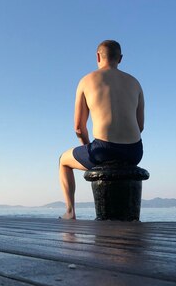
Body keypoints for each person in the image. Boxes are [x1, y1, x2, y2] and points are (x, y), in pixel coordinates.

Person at [59, 40, 145, 220]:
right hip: (134, 152)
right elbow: (140, 126)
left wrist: (89, 147)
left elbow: (78, 128)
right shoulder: (135, 83)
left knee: (63, 161)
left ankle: (70, 212)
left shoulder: (86, 80)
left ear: (98, 56)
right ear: (120, 59)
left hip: (103, 151)